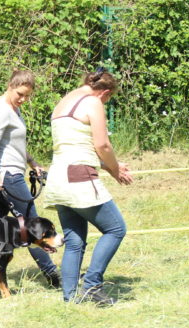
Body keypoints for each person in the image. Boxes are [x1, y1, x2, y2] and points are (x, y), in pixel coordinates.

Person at [43, 69, 133, 305]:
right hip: (79, 177)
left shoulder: (64, 101)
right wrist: (114, 169)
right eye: (108, 99)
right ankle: (92, 286)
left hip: (58, 177)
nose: (105, 103)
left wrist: (107, 166)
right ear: (104, 92)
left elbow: (76, 145)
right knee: (115, 229)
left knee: (74, 241)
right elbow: (102, 144)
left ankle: (70, 297)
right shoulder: (93, 102)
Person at [0, 69, 61, 287]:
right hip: (6, 176)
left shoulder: (13, 109)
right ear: (10, 86)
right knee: (33, 226)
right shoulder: (1, 111)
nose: (24, 99)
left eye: (27, 96)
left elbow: (14, 145)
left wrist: (32, 162)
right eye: (20, 94)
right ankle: (53, 276)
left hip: (6, 173)